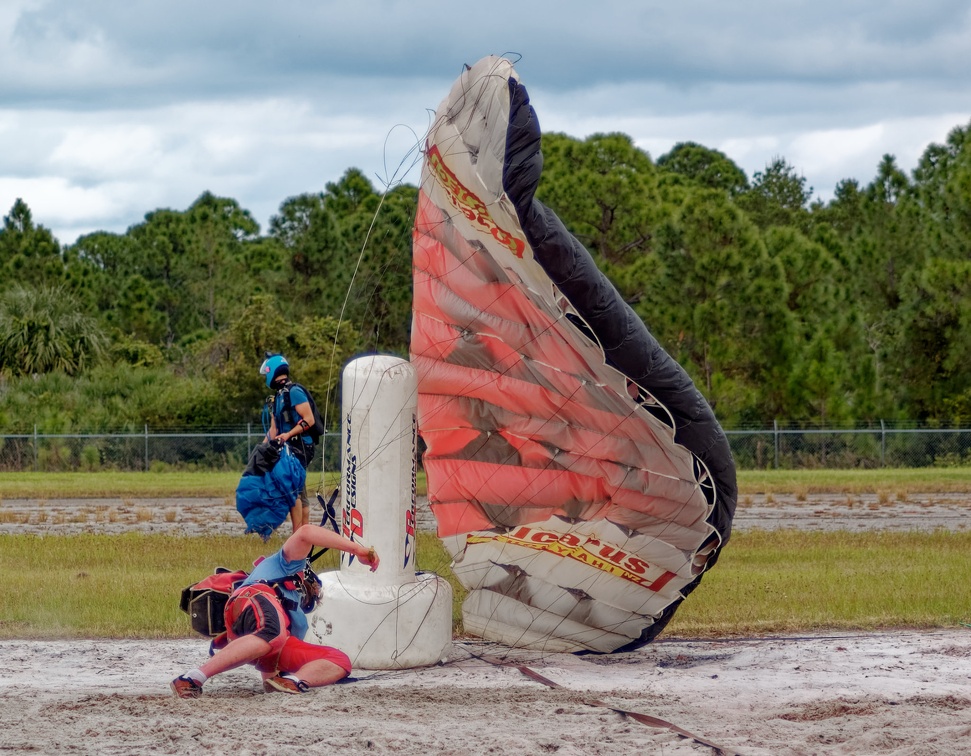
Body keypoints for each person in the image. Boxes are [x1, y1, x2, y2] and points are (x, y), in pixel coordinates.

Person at [171, 524, 379, 698]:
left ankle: (294, 682)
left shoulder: (292, 620)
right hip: (251, 601)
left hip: (257, 635)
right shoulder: (285, 564)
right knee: (272, 633)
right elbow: (305, 532)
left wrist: (278, 680)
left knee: (339, 660)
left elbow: (269, 671)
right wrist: (357, 550)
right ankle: (191, 678)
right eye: (312, 591)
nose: (311, 595)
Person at [259, 354, 317, 533]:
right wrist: (261, 450)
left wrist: (288, 434)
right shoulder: (278, 397)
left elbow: (309, 419)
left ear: (272, 372)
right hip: (289, 448)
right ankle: (303, 536)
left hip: (301, 447)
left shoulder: (294, 392)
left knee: (292, 490)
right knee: (299, 491)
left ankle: (297, 535)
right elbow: (274, 430)